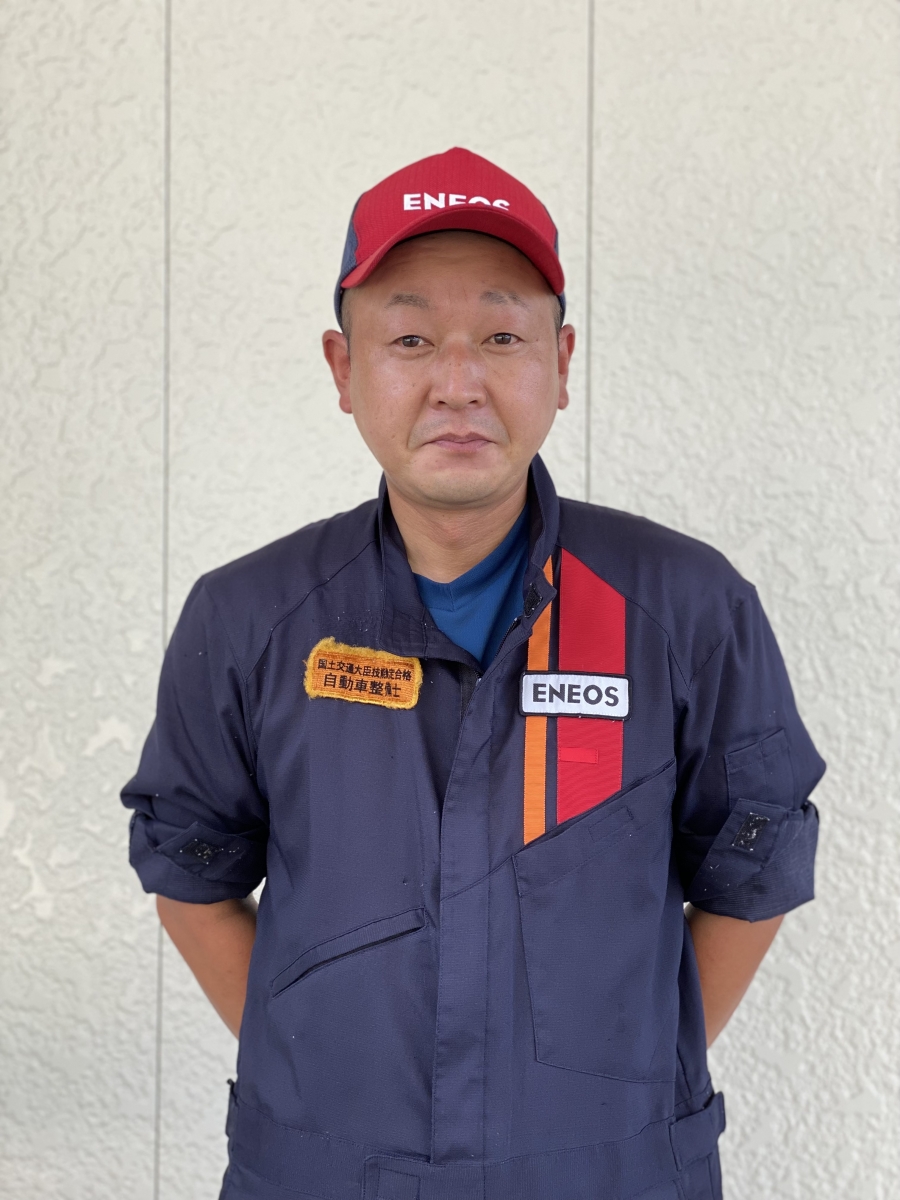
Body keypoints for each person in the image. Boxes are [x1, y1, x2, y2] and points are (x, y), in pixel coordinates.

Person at [121, 147, 825, 1200]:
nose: (458, 383)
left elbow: (751, 876)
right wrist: (318, 1080)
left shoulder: (685, 607)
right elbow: (191, 875)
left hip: (615, 1174)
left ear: (563, 361)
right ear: (342, 369)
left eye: (502, 337)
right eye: (409, 339)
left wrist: (616, 1092)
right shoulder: (250, 617)